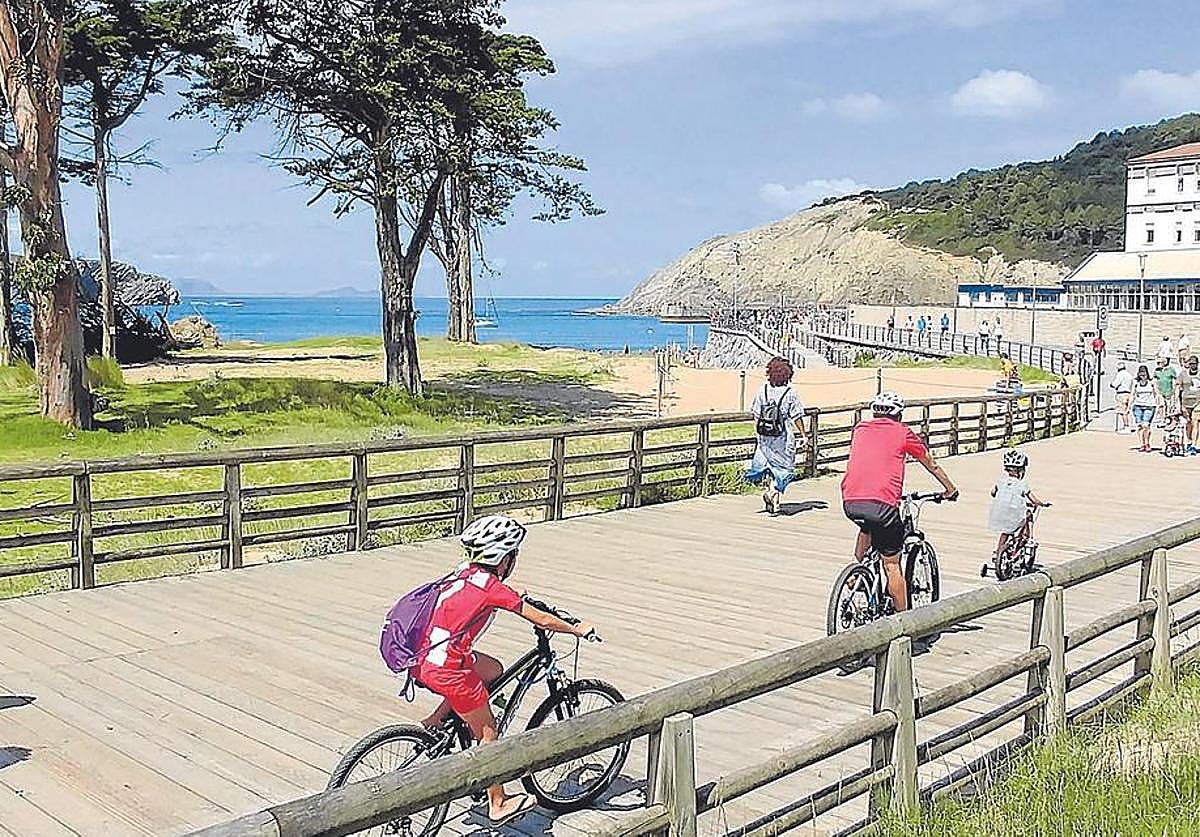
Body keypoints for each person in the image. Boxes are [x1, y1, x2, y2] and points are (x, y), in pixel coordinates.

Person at [416, 515, 595, 826]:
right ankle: (498, 802)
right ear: (503, 558)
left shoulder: (463, 574)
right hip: (450, 670)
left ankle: (437, 718)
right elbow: (542, 620)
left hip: (424, 658)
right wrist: (576, 629)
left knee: (493, 669)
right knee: (489, 733)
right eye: (514, 554)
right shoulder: (493, 589)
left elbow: (484, 591)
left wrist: (511, 592)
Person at [841, 392, 959, 613]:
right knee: (892, 564)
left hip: (851, 500)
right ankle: (903, 623)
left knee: (867, 526)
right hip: (883, 506)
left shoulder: (860, 429)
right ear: (899, 414)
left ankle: (857, 573)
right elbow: (931, 464)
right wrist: (950, 489)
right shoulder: (903, 432)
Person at [746, 356, 808, 515]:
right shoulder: (790, 393)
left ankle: (775, 501)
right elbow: (797, 416)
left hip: (765, 436)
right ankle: (773, 493)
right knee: (784, 468)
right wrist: (803, 434)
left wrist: (759, 431)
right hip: (783, 435)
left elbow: (756, 413)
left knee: (769, 467)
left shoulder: (763, 390)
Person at [989, 450, 1049, 566]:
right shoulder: (1022, 484)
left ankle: (997, 552)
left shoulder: (1000, 481)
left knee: (1005, 532)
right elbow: (1033, 500)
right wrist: (1042, 504)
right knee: (1029, 514)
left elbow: (993, 492)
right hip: (1015, 513)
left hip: (999, 513)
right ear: (1021, 470)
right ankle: (1031, 539)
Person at [1131, 365, 1158, 453]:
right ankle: (1142, 443)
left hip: (1149, 406)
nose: (1143, 376)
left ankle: (1147, 442)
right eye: (1141, 374)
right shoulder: (1135, 383)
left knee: (1146, 425)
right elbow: (1132, 394)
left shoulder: (1152, 382)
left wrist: (1159, 404)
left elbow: (1156, 394)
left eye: (1144, 374)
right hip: (1138, 405)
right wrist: (1128, 407)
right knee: (1139, 426)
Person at [1178, 356, 1200, 455]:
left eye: (1194, 364)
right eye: (1191, 364)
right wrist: (1176, 402)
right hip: (1185, 402)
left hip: (1198, 402)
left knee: (1195, 422)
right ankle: (1189, 442)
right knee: (1188, 423)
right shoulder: (1183, 374)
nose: (1192, 365)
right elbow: (1178, 387)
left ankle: (1194, 445)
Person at [1110, 362, 1134, 433]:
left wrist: (1111, 384)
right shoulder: (1129, 375)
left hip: (1121, 393)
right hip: (1128, 393)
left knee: (1122, 411)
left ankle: (1126, 426)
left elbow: (1115, 384)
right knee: (1126, 410)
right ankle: (1126, 425)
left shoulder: (1120, 375)